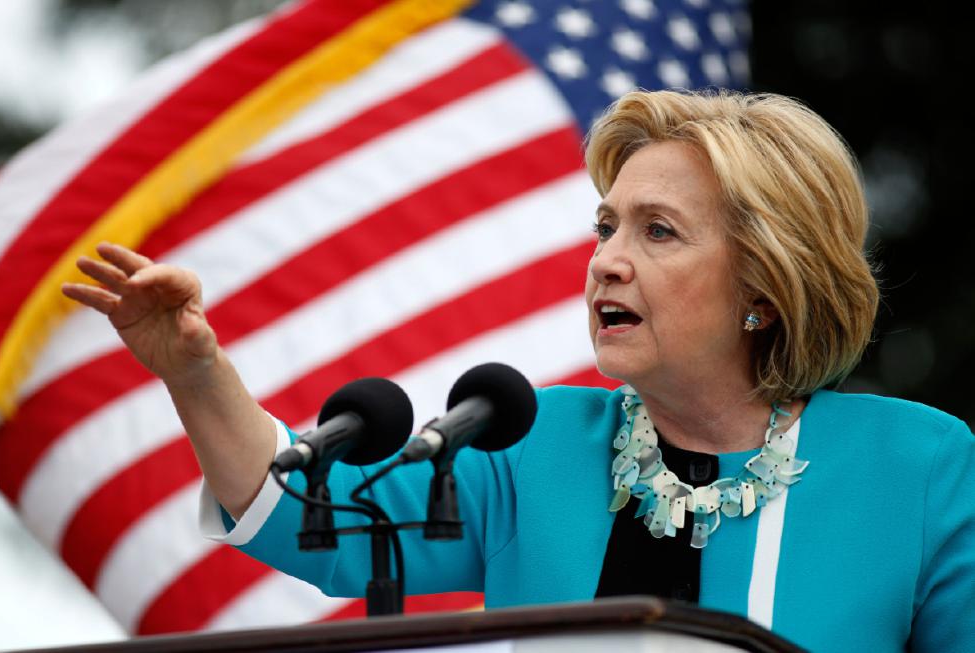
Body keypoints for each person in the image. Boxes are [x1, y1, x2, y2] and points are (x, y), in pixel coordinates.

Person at [62, 89, 975, 652]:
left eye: (657, 231)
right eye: (605, 226)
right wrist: (195, 366)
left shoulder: (920, 468)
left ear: (764, 287)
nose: (608, 260)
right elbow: (306, 520)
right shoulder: (526, 441)